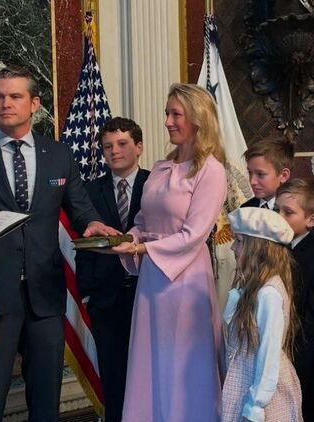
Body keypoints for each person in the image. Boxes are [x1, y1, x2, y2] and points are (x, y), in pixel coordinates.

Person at [0, 65, 117, 422]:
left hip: (44, 297)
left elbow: (81, 210)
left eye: (15, 96)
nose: (6, 104)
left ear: (35, 104)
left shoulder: (59, 154)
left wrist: (92, 224)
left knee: (46, 407)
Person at [110, 83, 227, 421]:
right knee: (150, 362)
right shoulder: (161, 167)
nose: (167, 121)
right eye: (167, 113)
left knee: (183, 365)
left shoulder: (211, 170)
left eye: (176, 114)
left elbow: (194, 234)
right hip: (151, 280)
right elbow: (143, 221)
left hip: (186, 281)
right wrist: (122, 240)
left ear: (197, 118)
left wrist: (142, 247)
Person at [75, 117, 150, 422]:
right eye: (108, 146)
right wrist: (87, 294)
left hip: (148, 295)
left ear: (139, 147)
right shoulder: (89, 191)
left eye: (122, 144)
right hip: (105, 301)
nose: (114, 151)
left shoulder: (156, 186)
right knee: (113, 377)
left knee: (147, 374)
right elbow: (82, 246)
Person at [222, 207, 303, 422]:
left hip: (262, 393)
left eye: (239, 241)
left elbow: (269, 353)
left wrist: (256, 405)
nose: (233, 247)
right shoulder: (252, 288)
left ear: (258, 248)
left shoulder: (268, 294)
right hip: (244, 381)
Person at [275, 178, 314, 421]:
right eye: (277, 210)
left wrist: (297, 368)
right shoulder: (280, 250)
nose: (279, 217)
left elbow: (313, 321)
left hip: (306, 364)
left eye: (288, 212)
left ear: (311, 219)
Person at [240, 135, 293, 210]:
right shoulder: (246, 209)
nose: (252, 182)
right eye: (250, 173)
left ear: (284, 175)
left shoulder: (292, 210)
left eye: (260, 174)